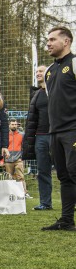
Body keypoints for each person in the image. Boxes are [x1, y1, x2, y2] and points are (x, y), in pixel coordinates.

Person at [42, 26, 76, 231]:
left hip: (73, 129)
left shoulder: (73, 63)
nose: (48, 43)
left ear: (67, 41)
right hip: (55, 132)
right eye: (47, 39)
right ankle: (66, 220)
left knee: (74, 172)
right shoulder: (49, 71)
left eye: (53, 39)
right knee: (63, 176)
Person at [23, 65, 52, 211]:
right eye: (37, 72)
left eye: (41, 71)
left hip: (57, 135)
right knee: (43, 171)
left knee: (68, 169)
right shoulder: (36, 94)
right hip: (40, 137)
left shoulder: (58, 90)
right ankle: (45, 203)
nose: (38, 73)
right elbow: (32, 119)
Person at [3, 119, 29, 197]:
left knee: (21, 176)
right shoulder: (5, 135)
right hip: (8, 160)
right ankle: (10, 193)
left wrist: (23, 157)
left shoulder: (22, 135)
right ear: (9, 125)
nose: (14, 126)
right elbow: (3, 148)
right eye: (12, 124)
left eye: (15, 124)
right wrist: (2, 160)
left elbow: (24, 146)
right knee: (9, 178)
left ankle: (24, 193)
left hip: (18, 159)